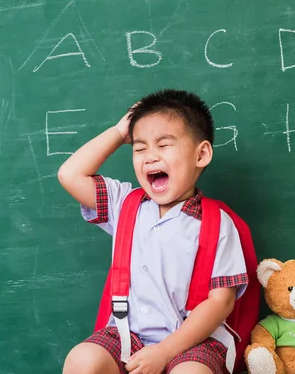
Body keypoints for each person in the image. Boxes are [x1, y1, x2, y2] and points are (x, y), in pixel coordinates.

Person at [58, 89, 249, 374]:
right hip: (127, 336)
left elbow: (220, 303)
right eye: (139, 147)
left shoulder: (217, 222)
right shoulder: (125, 205)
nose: (149, 157)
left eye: (163, 145)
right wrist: (119, 132)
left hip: (191, 341)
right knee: (82, 359)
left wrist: (165, 351)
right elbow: (70, 175)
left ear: (201, 154)